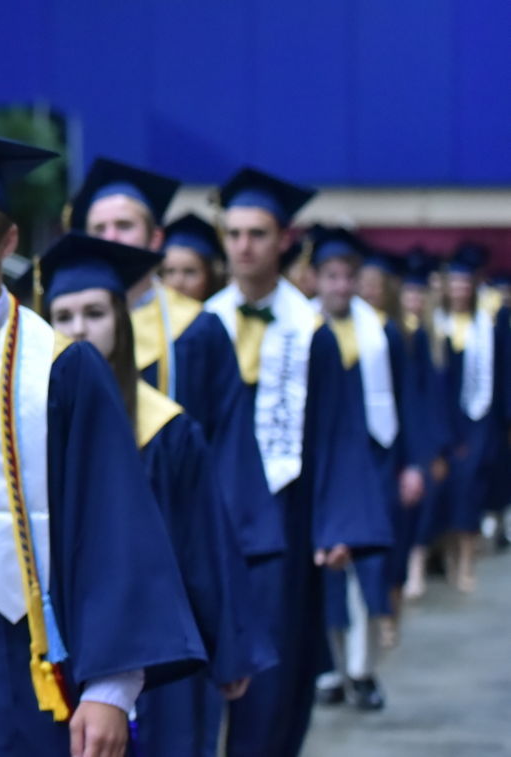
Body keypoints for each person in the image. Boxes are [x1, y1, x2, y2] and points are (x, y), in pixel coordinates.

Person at [0, 125, 206, 757]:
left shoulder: (64, 372)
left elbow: (114, 530)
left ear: (9, 242)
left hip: (49, 690)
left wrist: (112, 689)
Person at [38, 232, 275, 757]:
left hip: (160, 650)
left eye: (95, 313)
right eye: (64, 315)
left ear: (122, 322)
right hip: (59, 652)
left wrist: (229, 646)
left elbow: (203, 544)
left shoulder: (166, 429)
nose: (79, 329)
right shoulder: (28, 426)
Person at [204, 167, 392, 757]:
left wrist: (337, 526)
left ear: (284, 239)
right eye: (233, 233)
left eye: (257, 233)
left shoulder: (310, 332)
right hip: (211, 523)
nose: (243, 246)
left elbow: (339, 434)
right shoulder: (200, 326)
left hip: (284, 526)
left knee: (276, 677)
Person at [68, 159, 273, 569]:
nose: (111, 238)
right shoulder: (62, 334)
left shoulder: (197, 329)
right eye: (99, 229)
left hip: (183, 535)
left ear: (155, 238)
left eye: (124, 226)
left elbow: (230, 444)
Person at [306, 227, 425, 710]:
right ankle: (331, 669)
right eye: (330, 276)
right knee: (325, 574)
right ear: (315, 279)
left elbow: (407, 399)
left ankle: (363, 669)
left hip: (376, 460)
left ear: (358, 280)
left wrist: (411, 463)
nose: (339, 285)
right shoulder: (304, 332)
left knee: (369, 572)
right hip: (322, 464)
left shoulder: (382, 333)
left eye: (347, 276)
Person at [434, 243, 509, 591]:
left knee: (470, 490)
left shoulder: (486, 326)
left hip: (478, 420)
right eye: (456, 283)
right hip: (442, 420)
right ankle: (448, 558)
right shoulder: (436, 327)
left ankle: (466, 562)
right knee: (446, 490)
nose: (461, 290)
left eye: (467, 284)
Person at [398, 250, 453, 599]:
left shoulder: (432, 339)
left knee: (427, 501)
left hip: (426, 428)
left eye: (420, 294)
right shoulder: (393, 335)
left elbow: (436, 396)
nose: (415, 300)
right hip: (402, 427)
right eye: (409, 292)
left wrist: (439, 442)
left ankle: (417, 567)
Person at [159, 213, 225, 302]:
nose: (178, 283)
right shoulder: (144, 314)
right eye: (170, 271)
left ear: (210, 276)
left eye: (189, 272)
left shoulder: (227, 313)